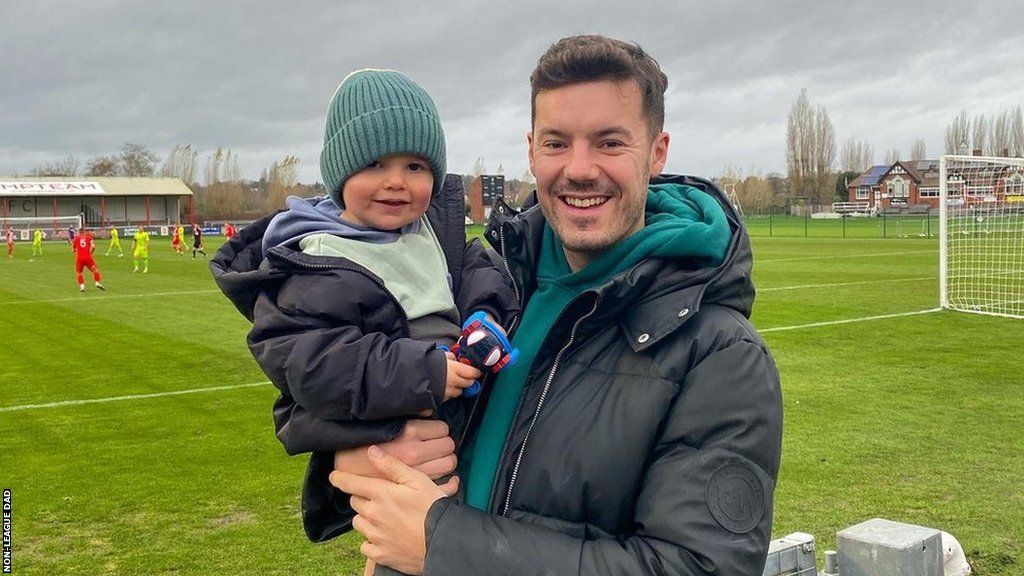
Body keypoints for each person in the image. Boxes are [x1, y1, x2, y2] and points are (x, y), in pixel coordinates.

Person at [316, 35, 783, 576]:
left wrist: (442, 547)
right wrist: (355, 461)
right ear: (531, 149)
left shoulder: (721, 354)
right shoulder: (483, 290)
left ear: (656, 152)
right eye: (557, 143)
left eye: (609, 143)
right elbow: (343, 384)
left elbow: (698, 567)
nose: (579, 169)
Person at [210, 69, 518, 575]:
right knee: (404, 556)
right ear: (339, 172)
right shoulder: (318, 259)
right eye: (375, 163)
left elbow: (480, 275)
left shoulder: (433, 235)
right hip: (405, 466)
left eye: (416, 165)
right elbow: (315, 365)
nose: (397, 181)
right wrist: (427, 372)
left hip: (464, 455)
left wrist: (485, 318)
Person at [73, 228, 104, 292]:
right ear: (84, 232)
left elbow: (73, 250)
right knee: (95, 270)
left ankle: (82, 287)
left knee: (79, 273)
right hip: (88, 257)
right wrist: (90, 253)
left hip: (79, 258)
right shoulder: (89, 238)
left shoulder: (76, 239)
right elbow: (93, 247)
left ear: (79, 232)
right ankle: (97, 282)